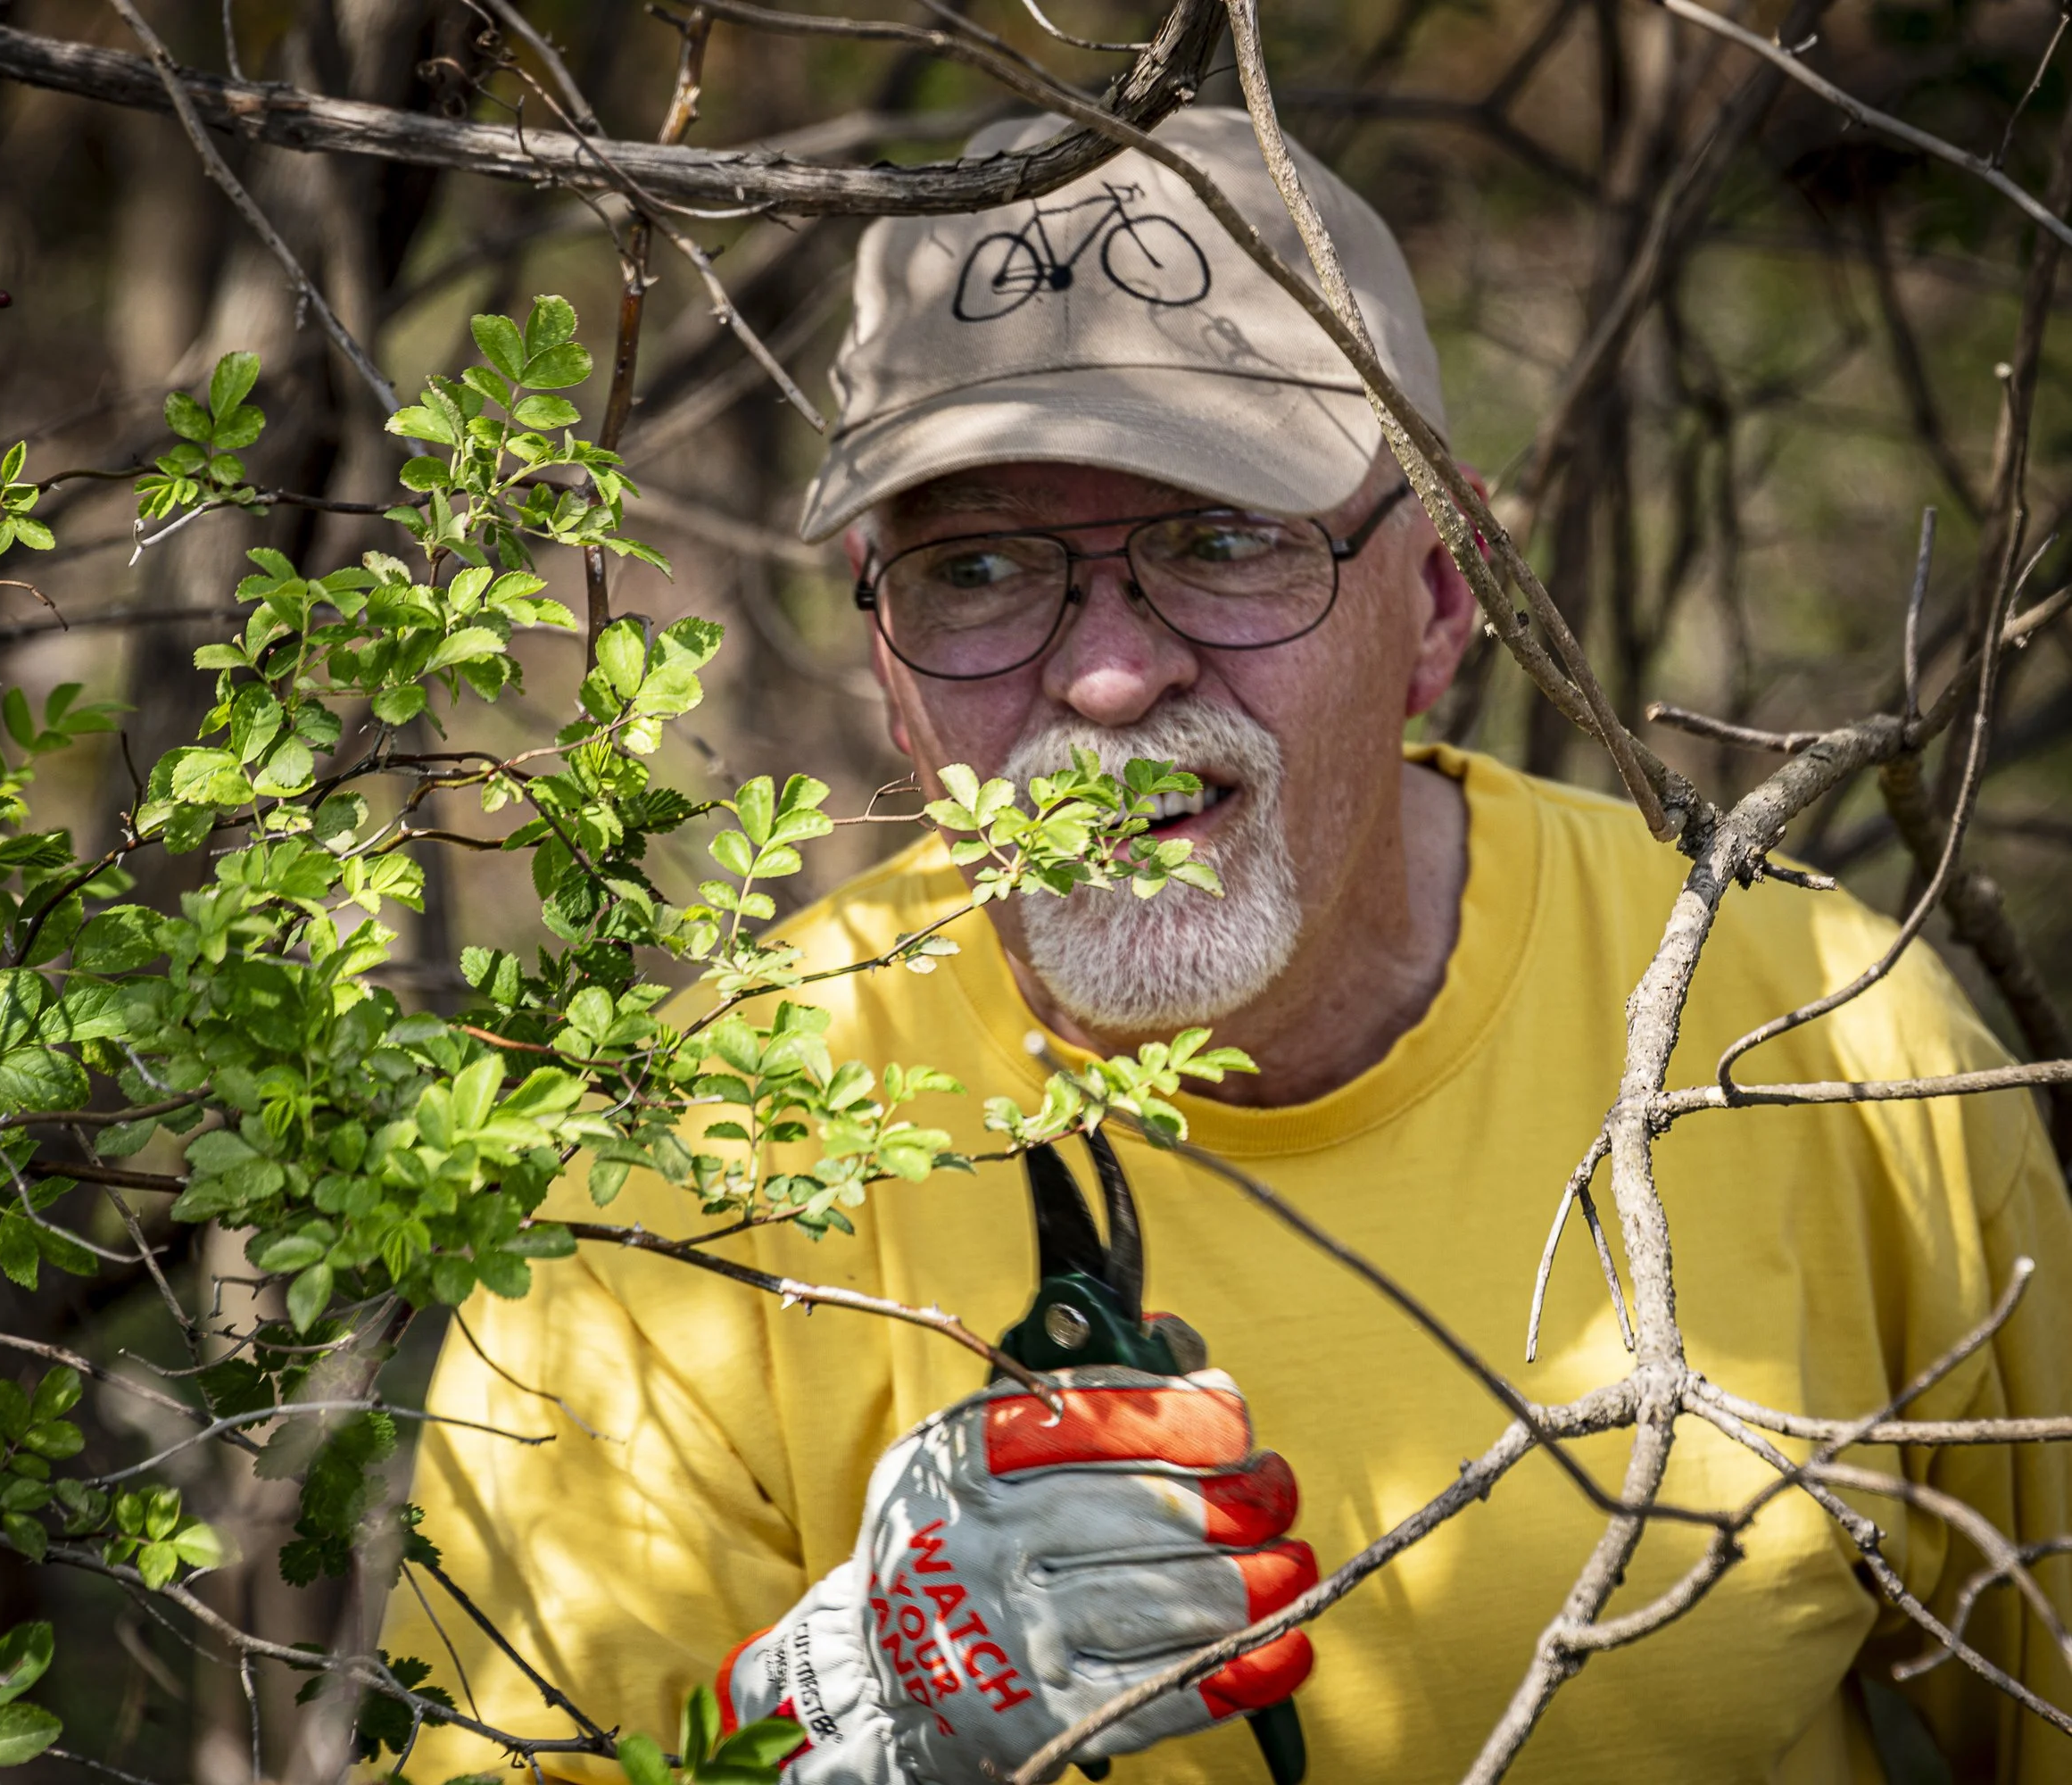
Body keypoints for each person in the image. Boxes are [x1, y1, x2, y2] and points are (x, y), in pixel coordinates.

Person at [378, 108, 2072, 1782]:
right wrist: (835, 1723)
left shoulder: (1825, 1036)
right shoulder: (692, 1160)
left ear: (1438, 596)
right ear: (885, 651)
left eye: (1219, 542)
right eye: (976, 567)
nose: (1108, 681)